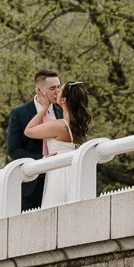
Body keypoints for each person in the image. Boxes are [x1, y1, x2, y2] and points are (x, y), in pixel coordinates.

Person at [23, 80, 91, 209]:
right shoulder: (77, 125)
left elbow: (29, 131)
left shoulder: (59, 126)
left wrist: (44, 108)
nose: (56, 92)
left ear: (63, 100)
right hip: (72, 171)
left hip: (60, 173)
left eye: (59, 90)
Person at [6, 70, 65, 211]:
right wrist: (42, 160)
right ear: (39, 90)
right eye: (52, 88)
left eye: (59, 87)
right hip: (31, 183)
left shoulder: (62, 111)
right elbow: (14, 150)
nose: (57, 92)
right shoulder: (19, 113)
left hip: (59, 178)